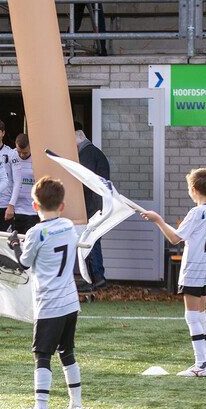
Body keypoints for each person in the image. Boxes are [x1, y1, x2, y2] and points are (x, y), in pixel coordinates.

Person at [7, 176, 85, 409]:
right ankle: (76, 406)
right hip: (70, 301)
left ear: (34, 205)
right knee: (67, 352)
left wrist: (14, 245)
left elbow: (24, 264)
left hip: (49, 303)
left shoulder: (36, 232)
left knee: (42, 354)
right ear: (62, 205)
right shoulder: (69, 226)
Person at [141, 168, 206, 377]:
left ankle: (200, 365)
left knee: (191, 315)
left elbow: (174, 238)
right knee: (201, 314)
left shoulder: (197, 212)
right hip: (205, 267)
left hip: (194, 268)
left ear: (194, 189)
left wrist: (157, 219)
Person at [74, 122, 110, 289]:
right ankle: (97, 277)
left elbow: (84, 180)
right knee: (92, 239)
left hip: (93, 205)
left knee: (90, 239)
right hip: (98, 203)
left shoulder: (87, 153)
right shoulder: (94, 152)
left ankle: (95, 277)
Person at [7, 133, 38, 235]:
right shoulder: (12, 155)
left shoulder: (37, 158)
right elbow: (10, 180)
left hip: (32, 210)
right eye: (19, 152)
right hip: (16, 208)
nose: (21, 155)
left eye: (25, 153)